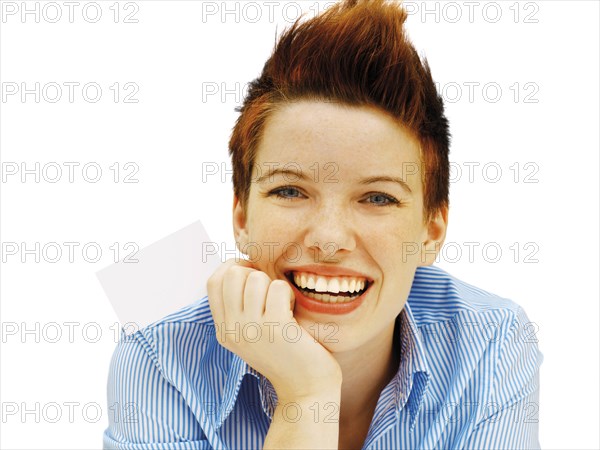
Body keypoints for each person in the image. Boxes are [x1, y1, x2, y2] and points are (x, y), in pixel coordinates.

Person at [103, 0, 543, 448]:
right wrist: (306, 394)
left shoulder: (491, 338)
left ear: (432, 231)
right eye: (290, 191)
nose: (329, 240)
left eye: (378, 197)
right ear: (241, 217)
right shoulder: (160, 345)